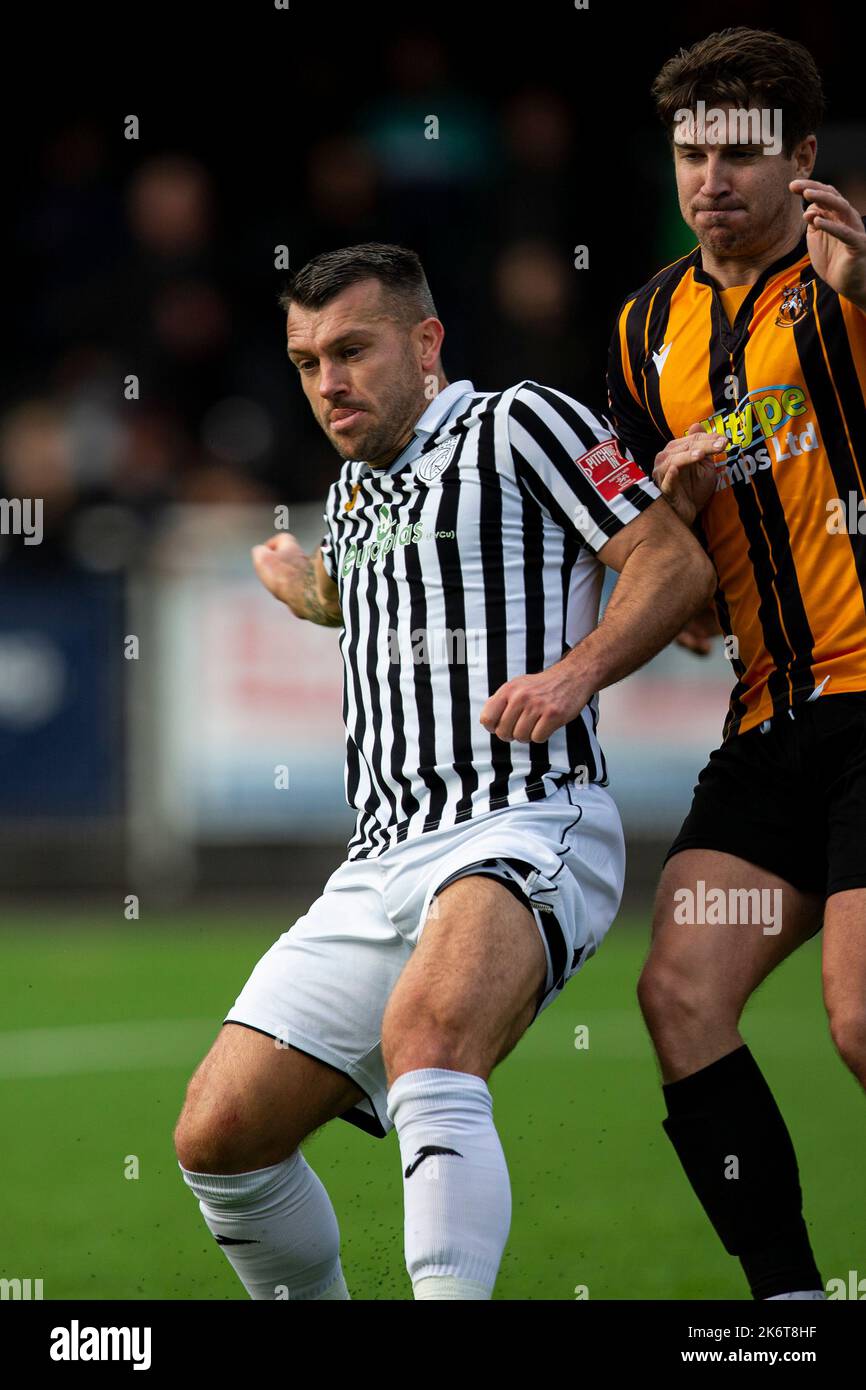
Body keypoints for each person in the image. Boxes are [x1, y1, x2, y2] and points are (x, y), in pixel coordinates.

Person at [175, 241, 714, 1300]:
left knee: (429, 1041)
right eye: (304, 361)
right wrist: (319, 597)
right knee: (219, 1136)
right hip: (378, 861)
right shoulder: (350, 494)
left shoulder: (524, 423)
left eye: (351, 350)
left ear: (424, 344)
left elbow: (668, 559)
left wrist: (573, 674)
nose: (327, 381)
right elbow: (405, 596)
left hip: (525, 818)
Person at [606, 27, 866, 1300]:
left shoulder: (844, 284)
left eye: (738, 153)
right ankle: (790, 1307)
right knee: (677, 993)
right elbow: (675, 574)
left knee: (859, 1017)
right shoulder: (645, 322)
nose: (709, 177)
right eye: (688, 152)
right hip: (768, 726)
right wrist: (674, 518)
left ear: (800, 158)